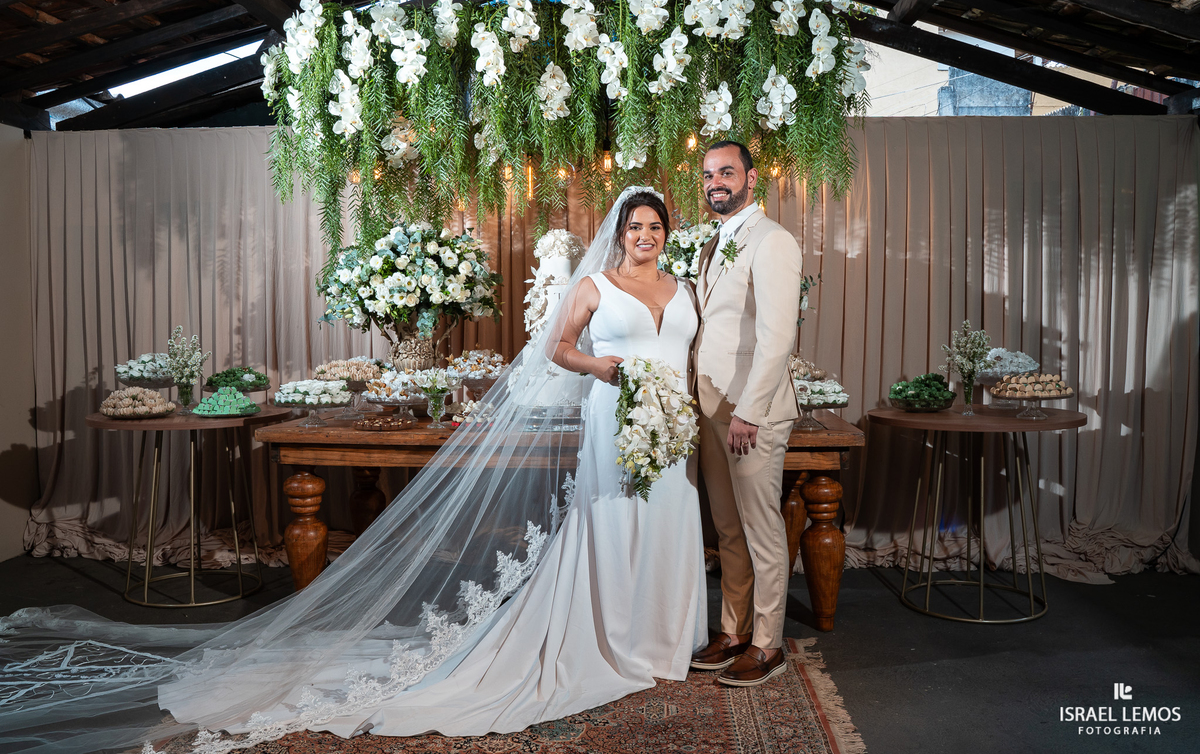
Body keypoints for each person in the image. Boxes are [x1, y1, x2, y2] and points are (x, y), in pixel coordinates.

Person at [0, 187, 705, 754]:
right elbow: (557, 351)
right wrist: (605, 369)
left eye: (654, 226)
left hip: (675, 429)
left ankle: (664, 635)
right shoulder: (596, 287)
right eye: (635, 225)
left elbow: (692, 357)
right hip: (618, 421)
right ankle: (615, 635)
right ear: (620, 233)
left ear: (666, 234)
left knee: (669, 521)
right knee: (614, 524)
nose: (644, 235)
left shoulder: (681, 287)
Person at [688, 141, 803, 687]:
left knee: (761, 529)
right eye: (709, 174)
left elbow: (778, 337)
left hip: (750, 410)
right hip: (712, 403)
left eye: (726, 172)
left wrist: (750, 412)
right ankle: (733, 630)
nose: (716, 182)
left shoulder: (773, 240)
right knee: (727, 528)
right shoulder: (717, 241)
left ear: (751, 179)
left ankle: (767, 641)